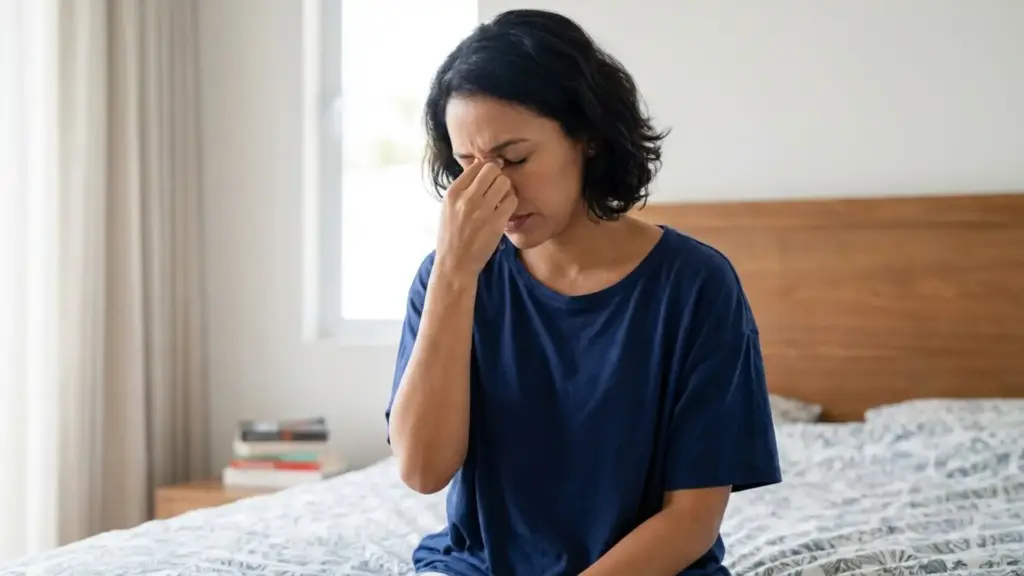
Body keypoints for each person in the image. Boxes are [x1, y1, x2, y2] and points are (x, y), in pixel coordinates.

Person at [385, 8, 781, 576]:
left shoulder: (695, 285)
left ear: (587, 139)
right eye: (467, 165)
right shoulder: (448, 276)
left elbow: (691, 520)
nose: (490, 189)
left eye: (515, 158)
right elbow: (422, 471)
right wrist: (454, 275)